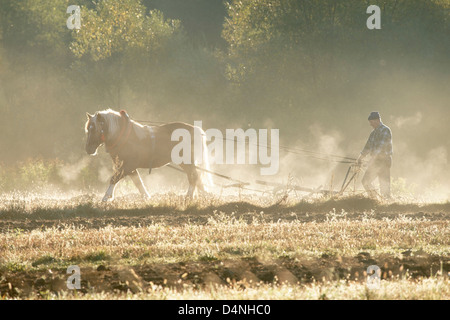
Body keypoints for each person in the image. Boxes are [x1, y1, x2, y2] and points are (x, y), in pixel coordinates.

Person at [356, 111, 393, 199]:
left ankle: (386, 203)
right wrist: (360, 158)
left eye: (371, 122)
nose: (370, 124)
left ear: (377, 120)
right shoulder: (373, 133)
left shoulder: (385, 130)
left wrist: (372, 159)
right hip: (375, 161)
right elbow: (367, 147)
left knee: (384, 185)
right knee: (365, 181)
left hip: (384, 161)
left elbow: (381, 147)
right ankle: (374, 200)